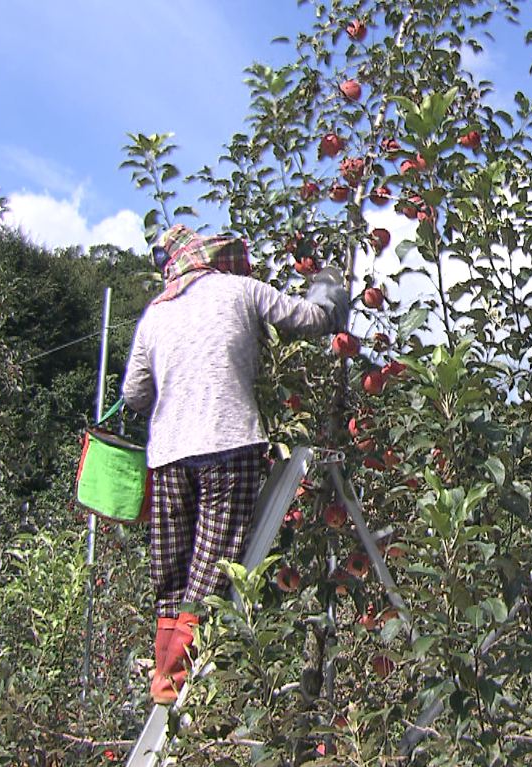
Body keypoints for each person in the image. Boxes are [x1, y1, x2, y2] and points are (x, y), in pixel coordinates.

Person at [121, 224, 347, 704]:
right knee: (211, 566)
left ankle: (164, 672)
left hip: (167, 458)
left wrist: (177, 394)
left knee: (172, 569)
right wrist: (331, 292)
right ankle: (179, 673)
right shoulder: (240, 289)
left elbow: (135, 394)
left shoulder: (154, 315)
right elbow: (306, 316)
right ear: (214, 259)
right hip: (229, 444)